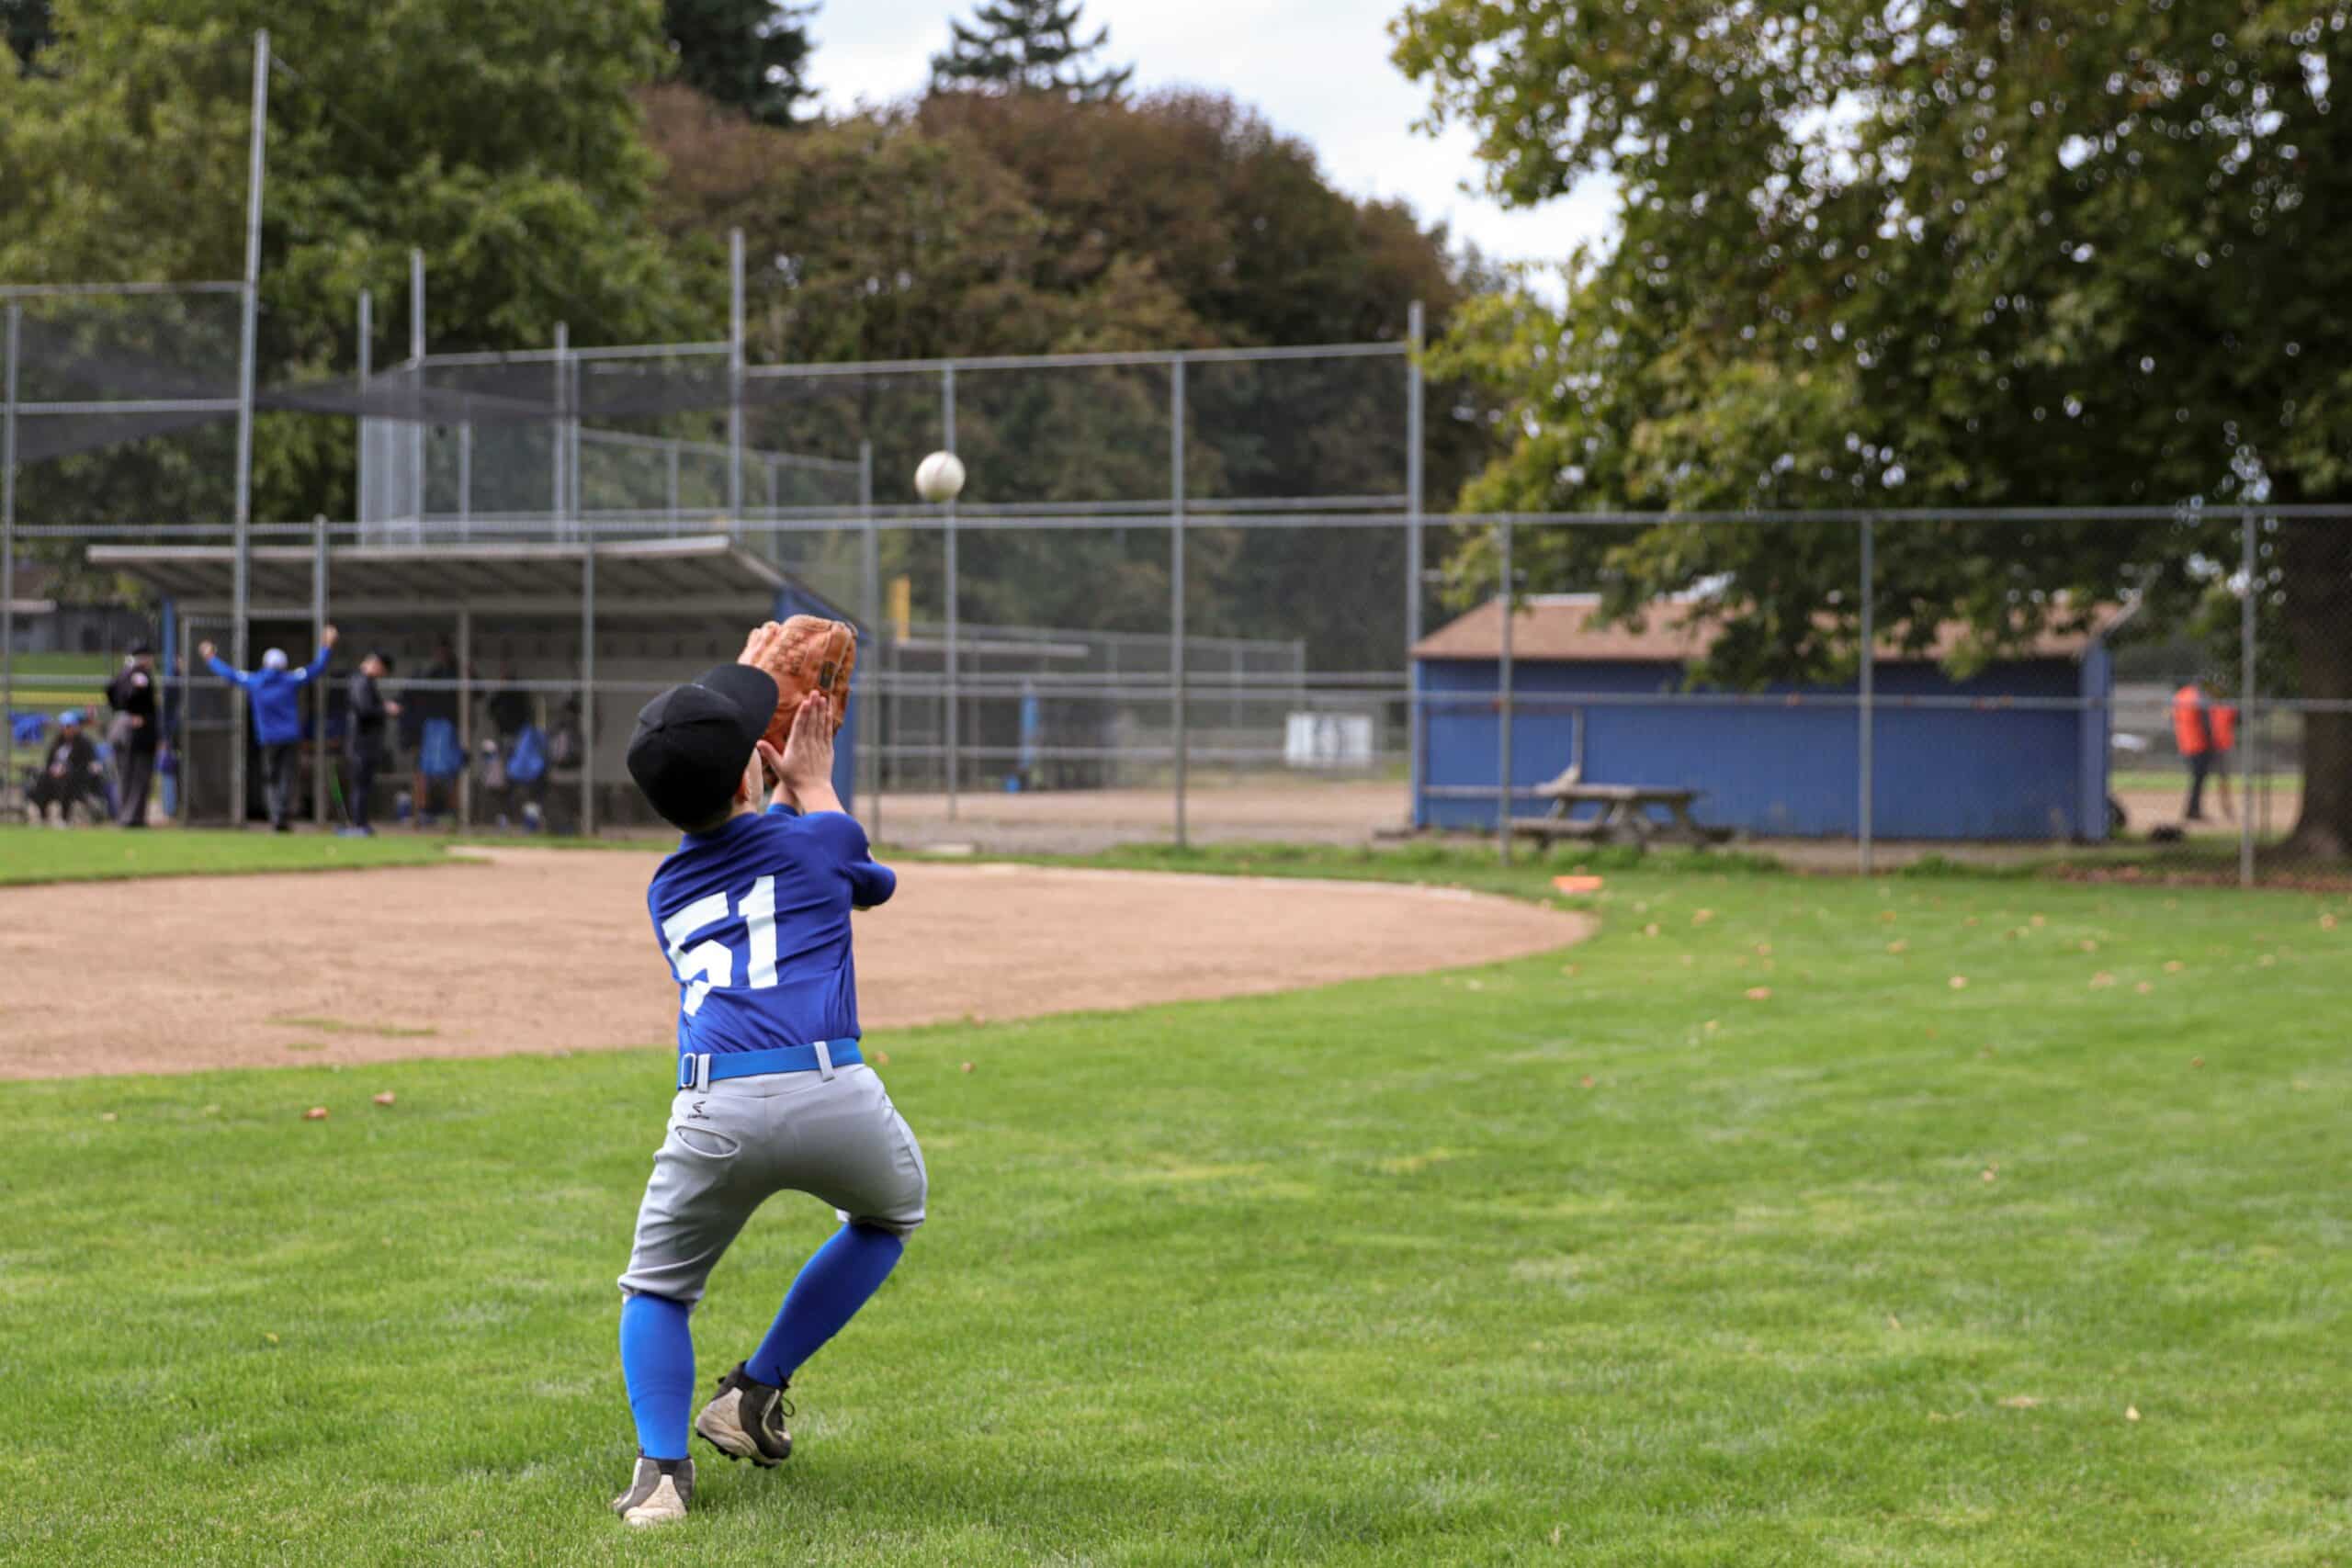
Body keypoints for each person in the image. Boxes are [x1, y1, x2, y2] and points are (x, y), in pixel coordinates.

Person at [608, 629, 920, 1529]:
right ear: (752, 775)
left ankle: (661, 1476)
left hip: (715, 1106)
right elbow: (868, 877)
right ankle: (755, 1390)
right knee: (889, 1216)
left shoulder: (665, 891)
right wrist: (811, 781)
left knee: (657, 1293)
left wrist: (769, 790)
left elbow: (774, 865)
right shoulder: (819, 842)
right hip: (834, 1097)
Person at [200, 626, 338, 830]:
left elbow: (229, 674)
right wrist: (327, 646)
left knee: (271, 778)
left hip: (268, 738)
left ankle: (275, 815)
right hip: (290, 737)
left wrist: (210, 657)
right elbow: (316, 668)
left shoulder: (255, 681)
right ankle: (281, 815)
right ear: (283, 665)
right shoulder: (290, 679)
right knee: (286, 778)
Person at [105, 642, 162, 828]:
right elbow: (135, 694)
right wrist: (135, 712)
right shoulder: (139, 674)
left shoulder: (123, 673)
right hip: (136, 730)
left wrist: (120, 710)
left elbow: (109, 689)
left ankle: (124, 816)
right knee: (138, 775)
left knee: (124, 775)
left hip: (119, 725)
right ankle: (132, 818)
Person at [344, 651, 400, 836]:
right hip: (360, 743)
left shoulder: (366, 682)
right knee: (359, 785)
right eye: (382, 669)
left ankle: (361, 824)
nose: (381, 674)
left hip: (367, 743)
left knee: (364, 786)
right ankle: (358, 825)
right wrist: (385, 709)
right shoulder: (361, 681)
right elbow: (364, 709)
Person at [408, 638, 460, 827]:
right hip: (431, 727)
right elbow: (418, 697)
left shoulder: (458, 670)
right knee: (424, 771)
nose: (441, 655)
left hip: (450, 726)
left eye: (445, 651)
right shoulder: (433, 673)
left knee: (453, 771)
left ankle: (454, 813)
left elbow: (478, 693)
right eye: (439, 651)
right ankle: (422, 813)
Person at [25, 709, 108, 825]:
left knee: (66, 780)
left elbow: (88, 764)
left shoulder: (84, 743)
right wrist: (53, 769)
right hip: (54, 776)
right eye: (64, 726)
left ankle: (63, 817)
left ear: (76, 727)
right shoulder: (57, 741)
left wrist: (67, 769)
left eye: (69, 726)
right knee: (42, 779)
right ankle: (42, 815)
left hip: (76, 779)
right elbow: (49, 761)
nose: (66, 729)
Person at [2171, 676, 2234, 824]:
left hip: (2186, 743)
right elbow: (2205, 722)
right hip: (2200, 744)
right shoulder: (2199, 697)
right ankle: (2194, 810)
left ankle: (2194, 810)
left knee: (2198, 779)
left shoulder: (2182, 695)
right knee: (2200, 779)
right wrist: (2211, 741)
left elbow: (2174, 718)